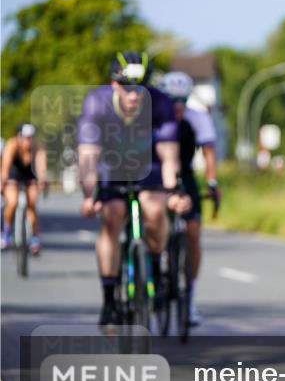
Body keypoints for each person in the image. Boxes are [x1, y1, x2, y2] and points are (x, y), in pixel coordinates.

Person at [77, 52, 191, 329]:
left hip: (148, 165)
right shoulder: (97, 103)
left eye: (141, 88)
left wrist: (174, 189)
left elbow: (169, 157)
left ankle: (155, 264)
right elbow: (89, 157)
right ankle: (109, 300)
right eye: (128, 88)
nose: (134, 95)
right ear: (115, 85)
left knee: (154, 210)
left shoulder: (160, 103)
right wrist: (90, 196)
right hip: (112, 167)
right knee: (112, 216)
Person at [159, 71, 221, 326]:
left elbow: (209, 153)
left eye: (183, 101)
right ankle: (154, 273)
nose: (178, 106)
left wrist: (212, 182)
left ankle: (190, 297)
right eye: (173, 100)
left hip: (185, 176)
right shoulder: (154, 119)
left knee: (193, 233)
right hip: (157, 176)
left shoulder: (198, 119)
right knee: (156, 226)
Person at [1, 123, 48, 253]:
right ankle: (7, 232)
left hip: (29, 175)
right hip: (13, 174)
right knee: (13, 202)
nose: (28, 140)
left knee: (32, 203)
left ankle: (34, 238)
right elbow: (5, 166)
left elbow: (41, 166)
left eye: (31, 137)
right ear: (19, 136)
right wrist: (4, 181)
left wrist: (42, 180)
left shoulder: (38, 147)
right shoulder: (12, 145)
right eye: (25, 137)